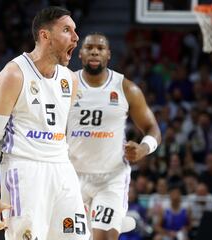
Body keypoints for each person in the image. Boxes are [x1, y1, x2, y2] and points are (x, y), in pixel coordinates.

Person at [0, 6, 89, 240]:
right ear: (45, 35)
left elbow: (65, 137)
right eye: (67, 30)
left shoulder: (70, 80)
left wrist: (80, 188)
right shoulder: (14, 74)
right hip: (24, 169)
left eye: (75, 31)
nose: (76, 38)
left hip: (62, 170)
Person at [67, 33, 161, 240]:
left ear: (108, 55)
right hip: (71, 176)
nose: (94, 51)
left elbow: (152, 127)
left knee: (105, 237)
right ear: (80, 54)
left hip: (110, 178)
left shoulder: (127, 88)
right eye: (89, 47)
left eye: (100, 48)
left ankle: (111, 221)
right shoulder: (66, 85)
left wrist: (144, 149)